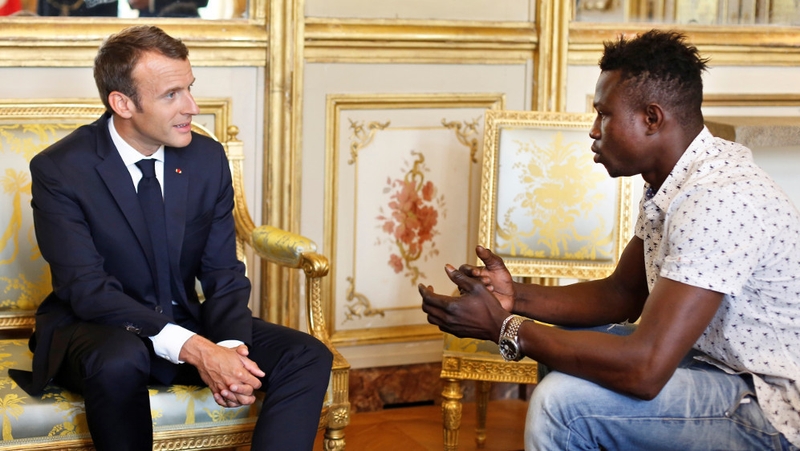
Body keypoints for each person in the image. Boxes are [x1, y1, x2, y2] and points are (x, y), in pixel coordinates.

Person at [420, 29, 800, 451]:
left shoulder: (718, 198)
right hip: (718, 366)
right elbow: (622, 294)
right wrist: (514, 299)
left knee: (562, 404)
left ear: (651, 119)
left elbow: (645, 368)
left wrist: (505, 327)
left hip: (771, 407)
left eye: (604, 114)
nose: (593, 130)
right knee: (571, 352)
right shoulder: (674, 181)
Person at [13, 25, 332, 451]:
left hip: (184, 319)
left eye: (190, 88)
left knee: (308, 355)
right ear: (122, 103)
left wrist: (231, 351)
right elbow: (86, 289)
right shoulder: (61, 169)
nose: (192, 107)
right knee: (119, 357)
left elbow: (222, 271)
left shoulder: (206, 158)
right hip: (97, 329)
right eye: (171, 95)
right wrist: (197, 350)